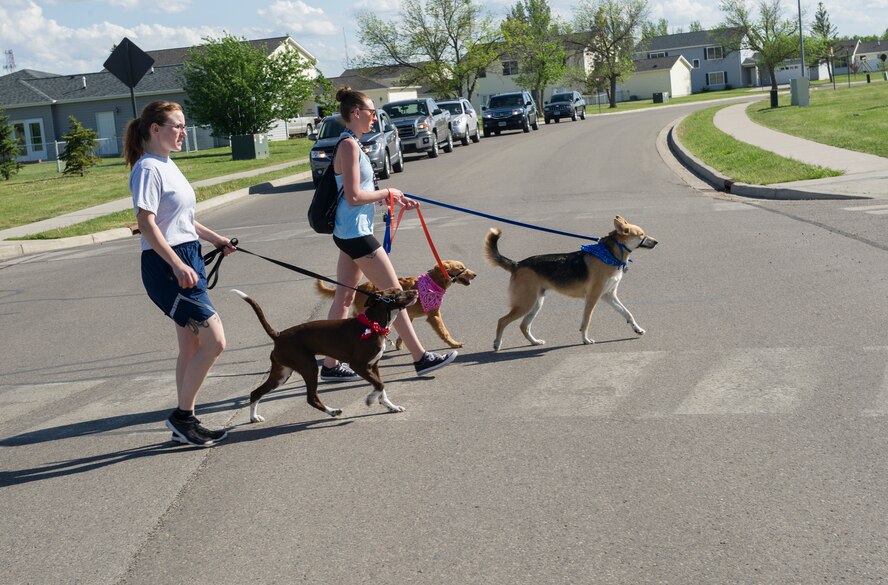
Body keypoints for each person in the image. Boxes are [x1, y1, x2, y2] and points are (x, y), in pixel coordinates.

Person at [320, 87, 457, 381]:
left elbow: (356, 194)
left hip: (351, 231)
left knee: (344, 298)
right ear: (356, 113)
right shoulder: (348, 146)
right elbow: (355, 196)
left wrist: (392, 200)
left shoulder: (353, 144)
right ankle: (421, 358)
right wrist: (390, 191)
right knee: (396, 294)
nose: (374, 118)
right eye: (371, 112)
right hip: (356, 234)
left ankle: (330, 365)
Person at [125, 100, 237, 447]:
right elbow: (146, 223)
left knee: (189, 347)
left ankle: (184, 421)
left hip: (187, 256)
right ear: (155, 129)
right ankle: (182, 418)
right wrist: (176, 263)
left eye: (184, 125)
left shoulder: (168, 164)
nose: (183, 132)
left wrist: (215, 238)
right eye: (177, 126)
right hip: (166, 265)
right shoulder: (147, 169)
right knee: (215, 341)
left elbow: (182, 219)